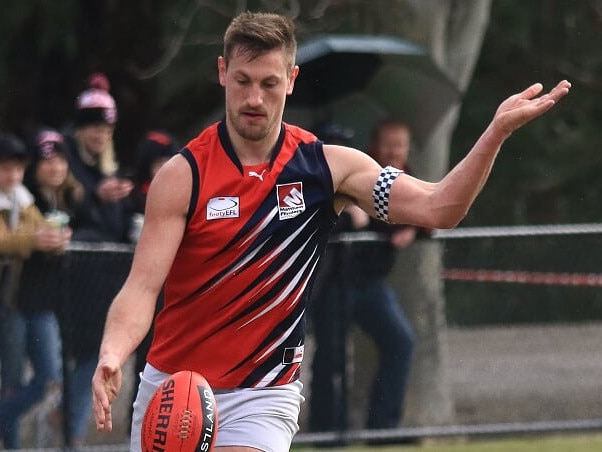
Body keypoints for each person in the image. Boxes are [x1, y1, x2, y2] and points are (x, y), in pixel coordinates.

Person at [90, 11, 571, 452]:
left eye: (269, 83)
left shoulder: (328, 168)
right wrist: (112, 352)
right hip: (174, 386)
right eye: (242, 82)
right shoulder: (184, 176)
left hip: (263, 391)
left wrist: (494, 134)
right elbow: (142, 287)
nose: (254, 98)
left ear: (292, 81)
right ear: (222, 74)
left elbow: (438, 207)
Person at [309, 120, 432, 438]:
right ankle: (327, 432)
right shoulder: (361, 172)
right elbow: (364, 216)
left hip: (370, 284)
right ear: (376, 146)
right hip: (335, 282)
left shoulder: (406, 176)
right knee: (331, 357)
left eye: (400, 145)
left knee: (400, 341)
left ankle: (383, 428)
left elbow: (428, 210)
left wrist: (412, 227)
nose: (394, 152)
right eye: (389, 145)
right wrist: (361, 220)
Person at [62, 72, 134, 447]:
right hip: (73, 286)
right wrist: (95, 198)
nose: (99, 134)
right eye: (91, 127)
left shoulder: (111, 169)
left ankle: (69, 434)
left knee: (93, 361)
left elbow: (117, 229)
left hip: (107, 286)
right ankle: (67, 436)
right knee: (75, 364)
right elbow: (72, 221)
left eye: (104, 128)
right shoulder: (67, 166)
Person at [0, 132, 72, 448]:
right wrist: (35, 240)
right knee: (11, 379)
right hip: (9, 304)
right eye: (5, 168)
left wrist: (55, 241)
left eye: (17, 168)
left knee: (46, 378)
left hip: (22, 301)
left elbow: (39, 229)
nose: (12, 175)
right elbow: (9, 239)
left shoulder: (21, 199)